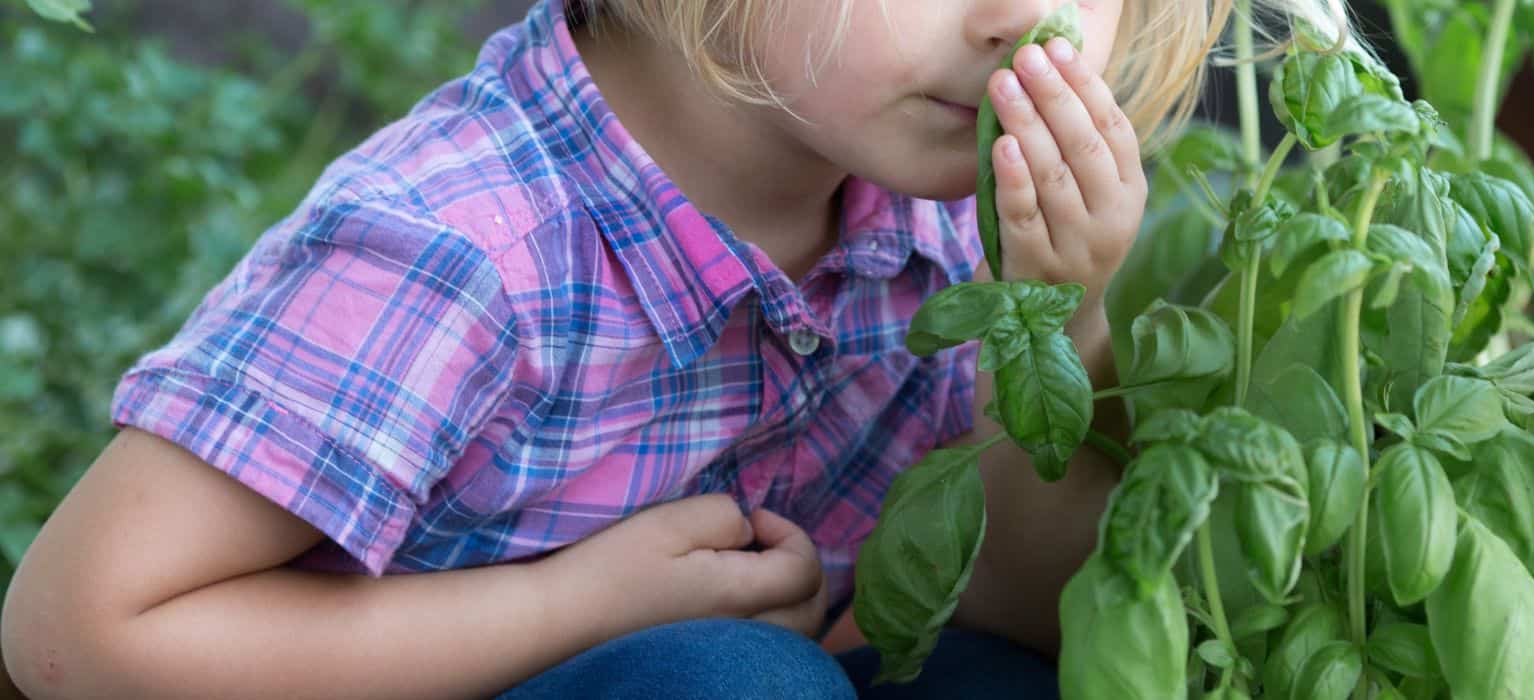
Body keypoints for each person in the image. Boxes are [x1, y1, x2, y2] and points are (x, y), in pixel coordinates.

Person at [0, 0, 1355, 697]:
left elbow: (1014, 606)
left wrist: (1062, 327)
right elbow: (81, 638)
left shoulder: (939, 215)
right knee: (731, 684)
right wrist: (570, 610)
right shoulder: (466, 247)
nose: (1019, 14)